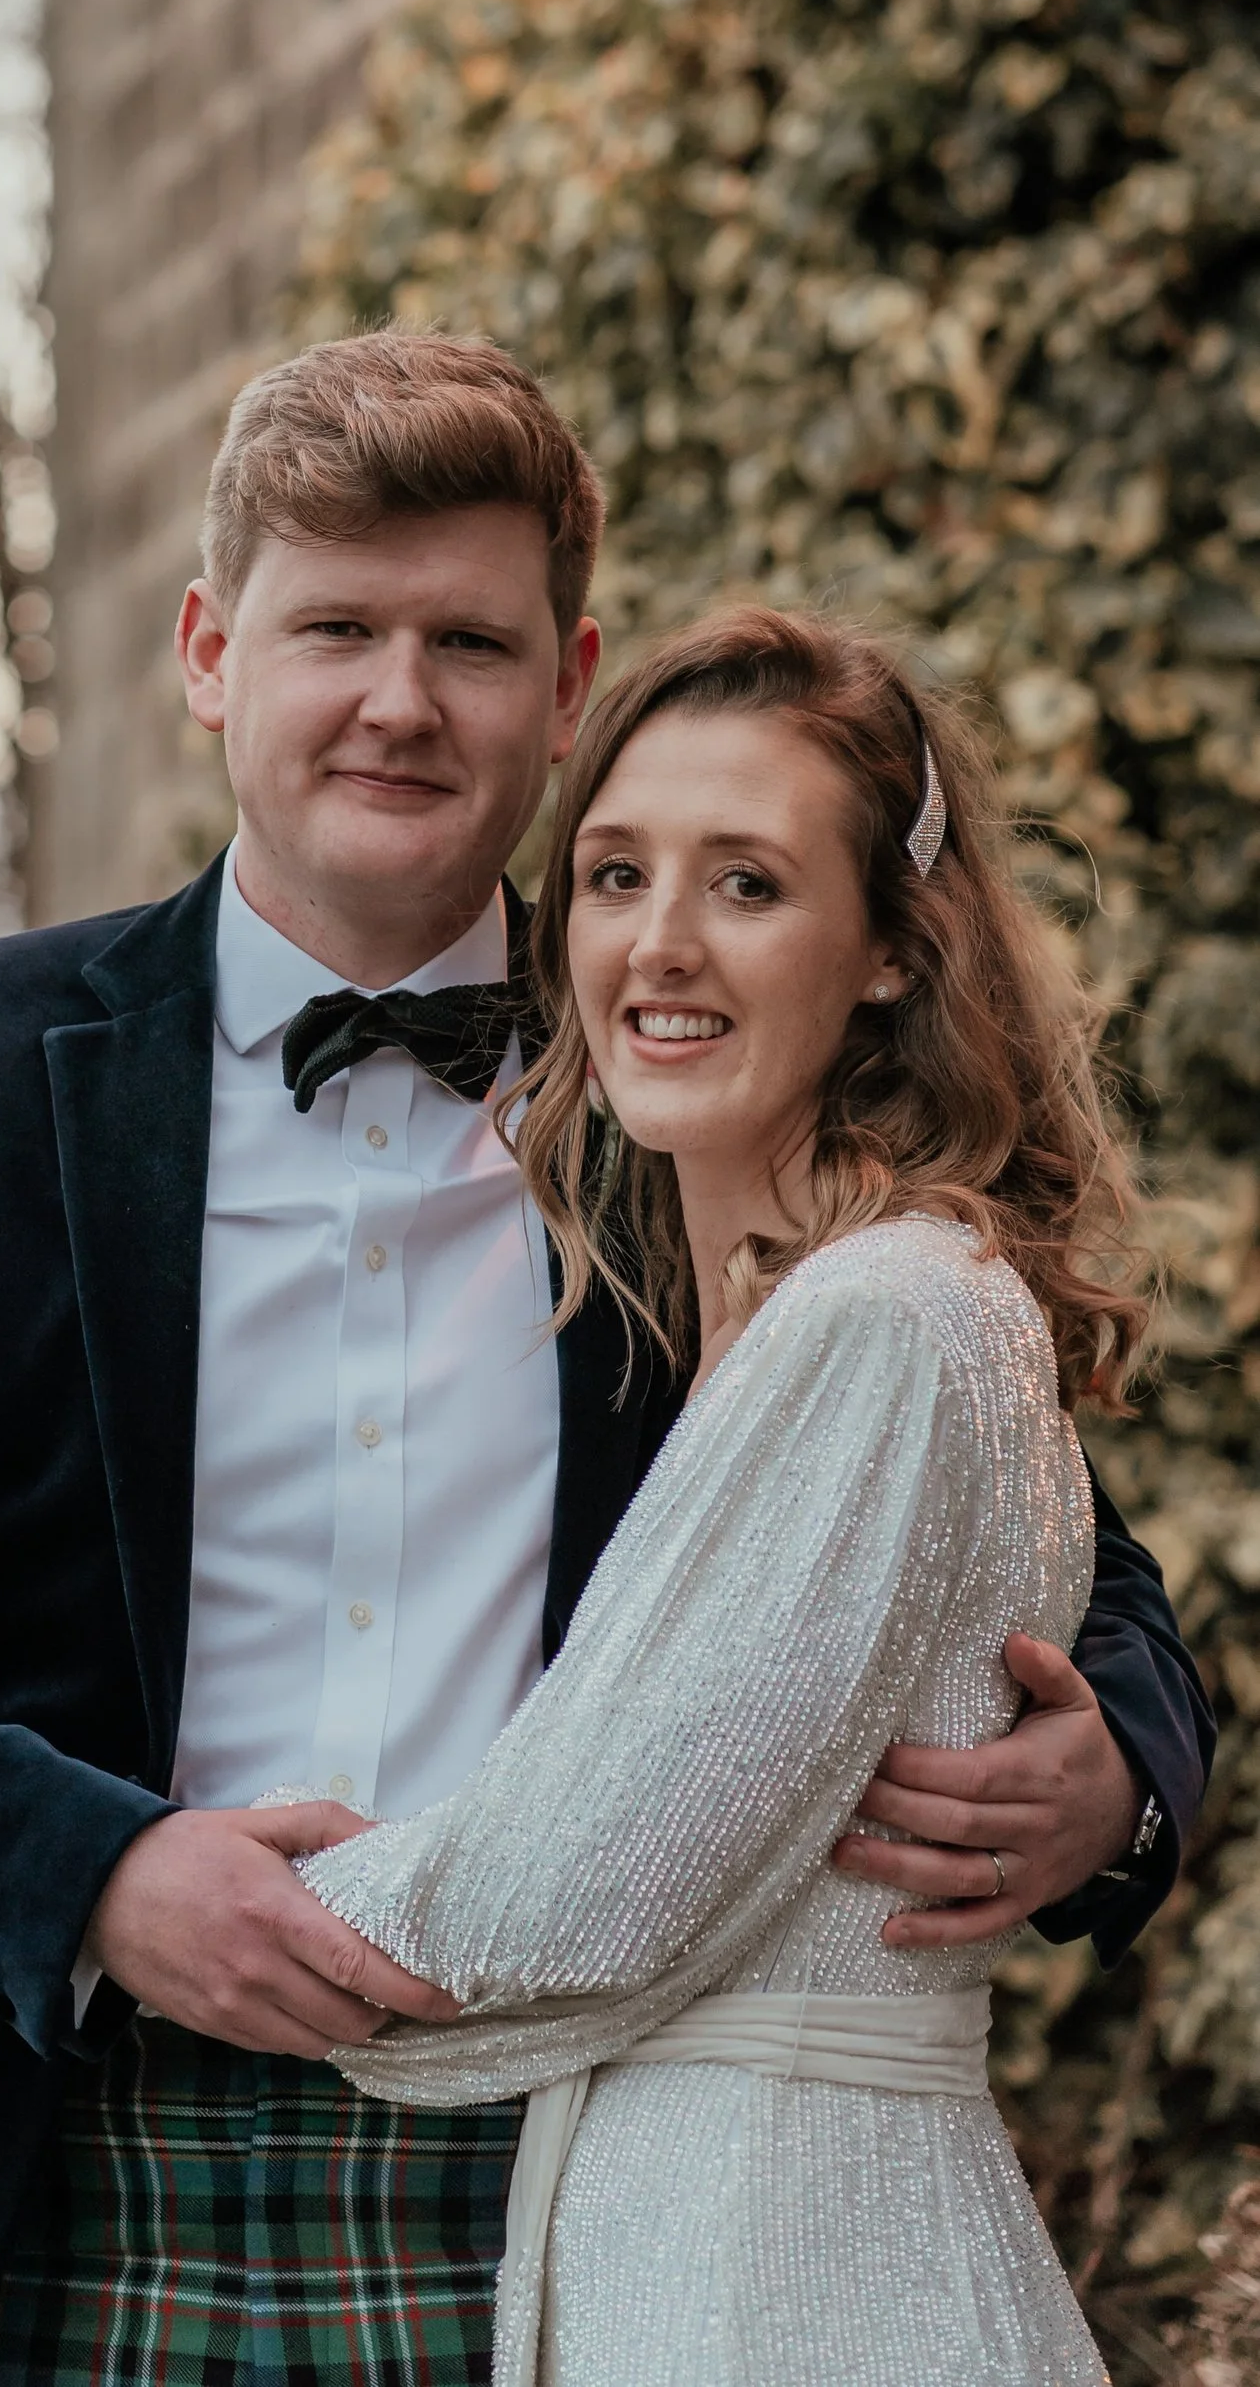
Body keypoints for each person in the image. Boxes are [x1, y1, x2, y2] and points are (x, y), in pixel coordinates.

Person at [0, 335, 1208, 2387]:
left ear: (566, 685)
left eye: (466, 639)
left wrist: (1116, 1784)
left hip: (555, 2157)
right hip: (29, 2149)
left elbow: (1037, 1521)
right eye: (331, 630)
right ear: (208, 654)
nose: (395, 697)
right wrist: (92, 1874)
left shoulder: (688, 1081)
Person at [297, 606, 1149, 2382]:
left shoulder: (878, 1318)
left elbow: (561, 1897)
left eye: (747, 884)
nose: (659, 945)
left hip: (790, 2278)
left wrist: (162, 1893)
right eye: (613, 874)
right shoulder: (820, 1308)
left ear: (893, 950)